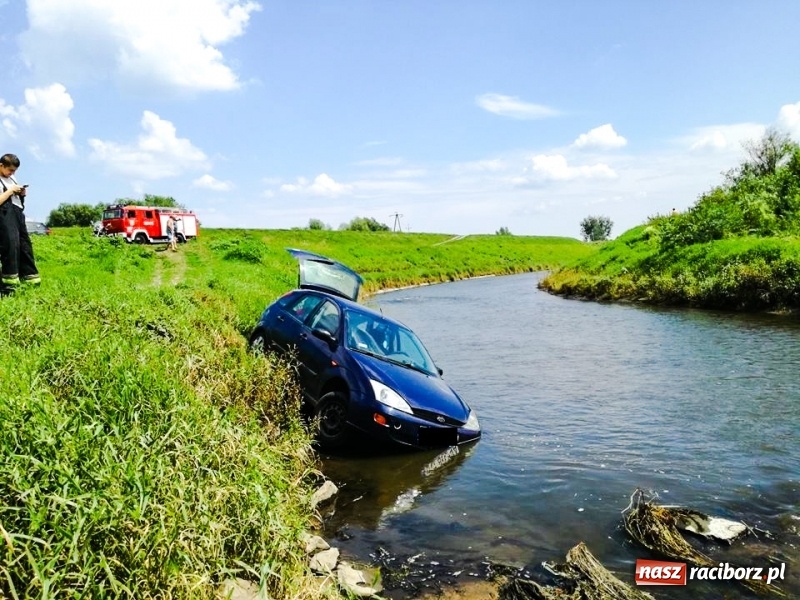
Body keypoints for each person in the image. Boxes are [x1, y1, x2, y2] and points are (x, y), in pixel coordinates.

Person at [0, 153, 40, 295]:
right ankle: (9, 286)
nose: (12, 173)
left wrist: (21, 193)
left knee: (24, 246)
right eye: (10, 170)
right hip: (4, 216)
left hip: (17, 214)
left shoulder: (12, 178)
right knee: (11, 247)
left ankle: (30, 280)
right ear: (1, 166)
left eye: (15, 171)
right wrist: (11, 190)